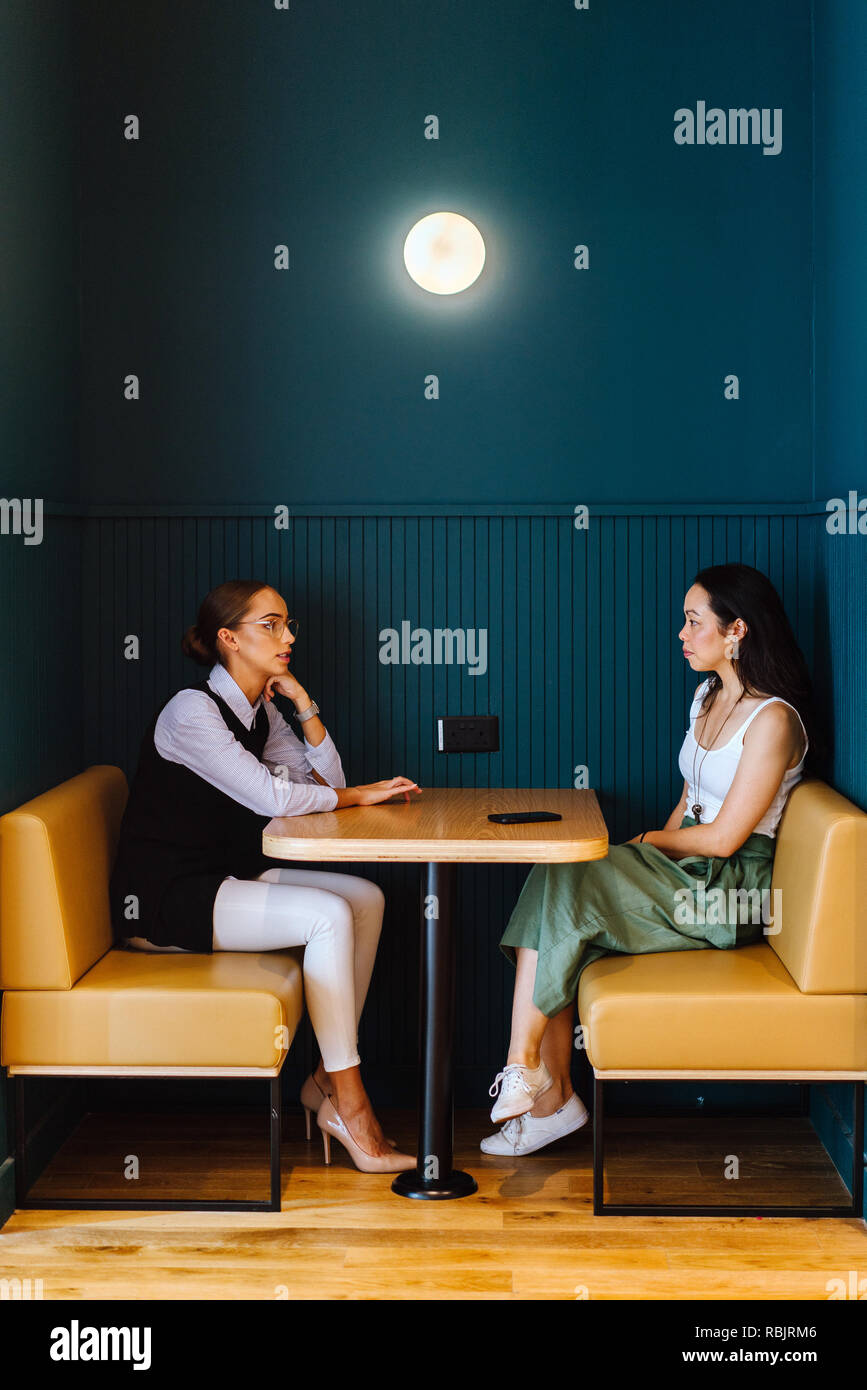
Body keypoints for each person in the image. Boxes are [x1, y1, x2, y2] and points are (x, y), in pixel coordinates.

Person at [483, 563, 820, 1157]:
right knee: (562, 886)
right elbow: (690, 800)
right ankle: (545, 1090)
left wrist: (644, 844)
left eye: (694, 621)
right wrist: (650, 853)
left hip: (728, 889)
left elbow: (720, 840)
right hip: (687, 868)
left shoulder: (774, 721)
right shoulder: (706, 697)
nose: (682, 633)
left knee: (568, 881)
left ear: (737, 629)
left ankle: (538, 1083)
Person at [109, 578, 421, 1173]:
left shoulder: (263, 712)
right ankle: (351, 1105)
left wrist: (303, 704)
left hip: (221, 879)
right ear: (227, 638)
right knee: (327, 917)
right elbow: (266, 795)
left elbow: (315, 786)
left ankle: (328, 1079)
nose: (287, 637)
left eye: (288, 625)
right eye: (269, 625)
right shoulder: (190, 711)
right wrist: (354, 797)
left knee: (366, 898)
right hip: (164, 897)